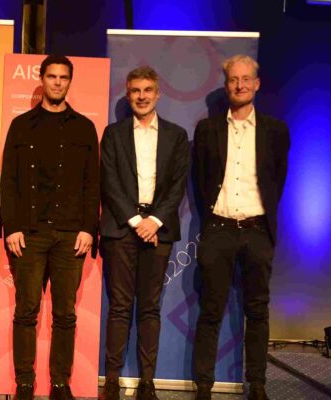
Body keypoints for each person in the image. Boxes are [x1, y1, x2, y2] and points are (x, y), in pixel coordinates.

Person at [0, 55, 99, 400]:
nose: (57, 82)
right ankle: (24, 384)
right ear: (41, 79)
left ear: (70, 81)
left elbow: (92, 183)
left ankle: (60, 384)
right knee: (26, 311)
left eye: (63, 77)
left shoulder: (84, 128)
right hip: (29, 234)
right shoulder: (21, 125)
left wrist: (89, 228)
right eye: (52, 76)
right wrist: (11, 227)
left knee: (65, 315)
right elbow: (9, 181)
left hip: (71, 235)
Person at [192, 54, 290, 400]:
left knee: (257, 311)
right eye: (234, 79)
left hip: (257, 230)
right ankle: (204, 386)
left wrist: (260, 219)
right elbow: (200, 179)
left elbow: (277, 180)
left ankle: (257, 385)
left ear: (257, 84)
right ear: (226, 85)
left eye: (246, 79)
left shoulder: (276, 131)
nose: (240, 85)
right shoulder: (207, 129)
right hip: (218, 228)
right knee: (210, 310)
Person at [99, 66, 190, 400]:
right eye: (135, 90)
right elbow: (109, 182)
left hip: (159, 231)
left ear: (157, 94)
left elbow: (178, 185)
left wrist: (155, 221)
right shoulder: (113, 134)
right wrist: (138, 222)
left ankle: (147, 382)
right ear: (128, 94)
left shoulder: (176, 135)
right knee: (120, 307)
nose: (141, 96)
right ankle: (111, 380)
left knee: (150, 308)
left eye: (147, 90)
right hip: (122, 229)